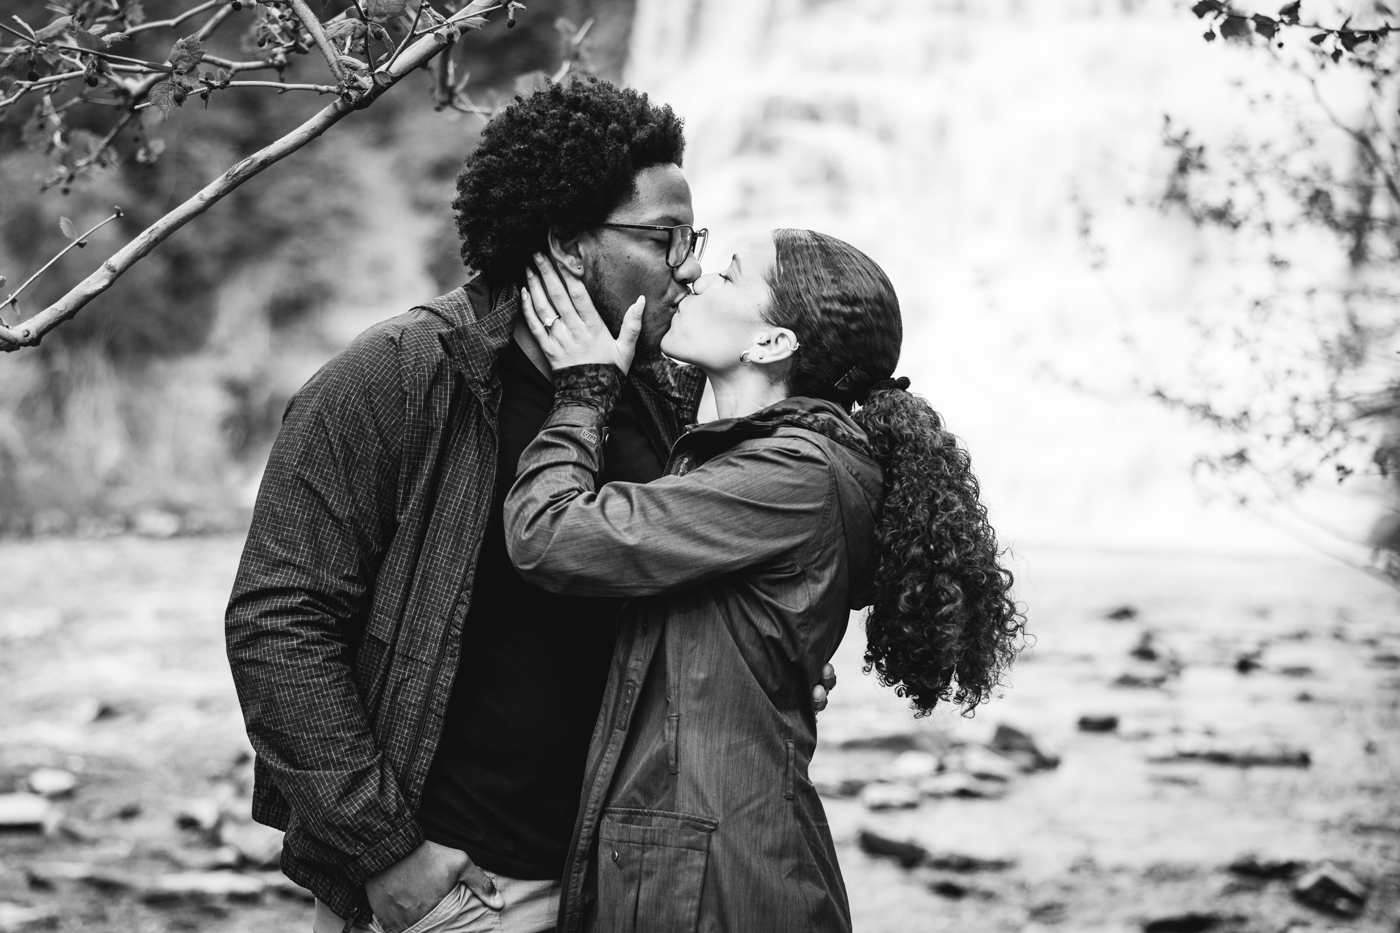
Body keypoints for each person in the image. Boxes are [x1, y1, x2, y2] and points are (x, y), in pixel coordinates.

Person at [224, 79, 835, 933]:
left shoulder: (669, 392)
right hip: (460, 888)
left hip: (620, 881)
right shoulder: (394, 378)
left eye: (693, 240)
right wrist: (384, 853)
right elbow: (277, 622)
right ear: (564, 241)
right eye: (664, 239)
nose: (690, 265)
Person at [503, 229, 1027, 933]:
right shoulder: (770, 462)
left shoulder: (789, 476)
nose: (694, 280)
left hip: (714, 886)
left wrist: (584, 391)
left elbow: (547, 534)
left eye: (729, 275)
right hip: (706, 865)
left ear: (773, 344)